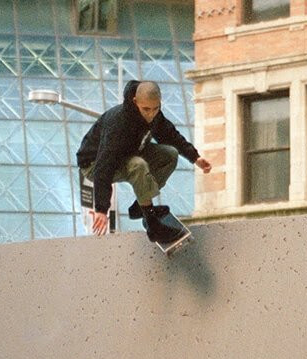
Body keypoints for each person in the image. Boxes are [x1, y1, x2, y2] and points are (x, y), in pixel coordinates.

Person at [76, 80, 212, 248]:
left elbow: (170, 135)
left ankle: (139, 208)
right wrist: (102, 210)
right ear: (135, 102)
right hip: (94, 163)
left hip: (130, 152)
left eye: (155, 109)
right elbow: (104, 166)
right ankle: (152, 224)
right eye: (146, 109)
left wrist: (195, 158)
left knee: (170, 155)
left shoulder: (155, 115)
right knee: (138, 165)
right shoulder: (118, 123)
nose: (150, 115)